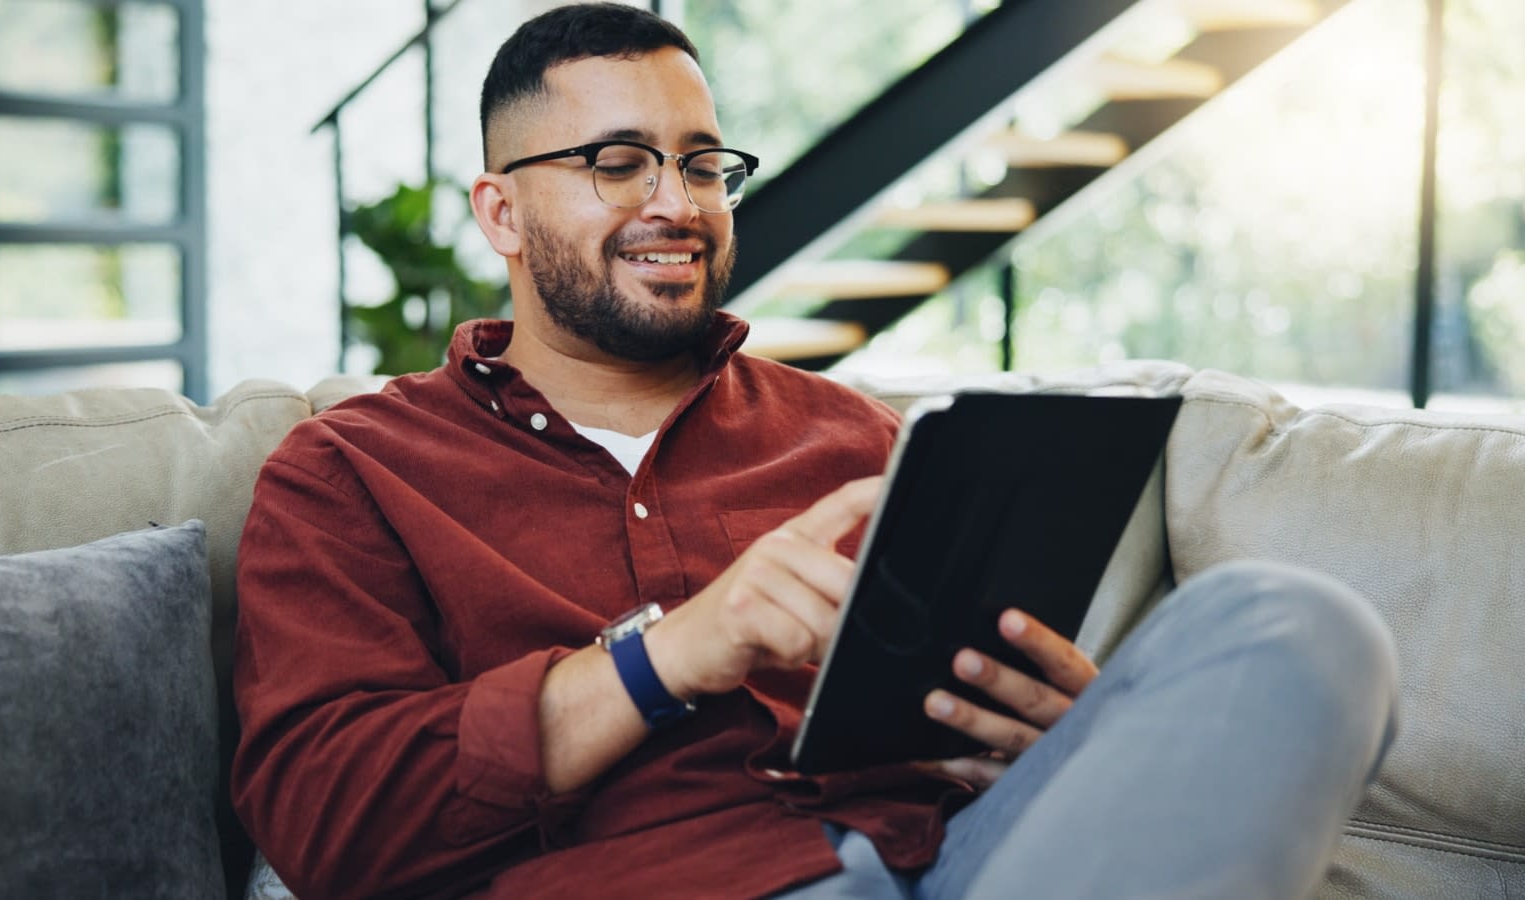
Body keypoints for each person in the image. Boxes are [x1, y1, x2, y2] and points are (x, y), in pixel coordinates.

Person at [230, 4, 1398, 898]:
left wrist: (1058, 739)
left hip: (956, 859)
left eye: (699, 163)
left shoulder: (861, 438)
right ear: (500, 215)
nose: (676, 202)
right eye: (617, 162)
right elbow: (327, 820)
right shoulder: (350, 472)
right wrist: (674, 654)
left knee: (1299, 626)